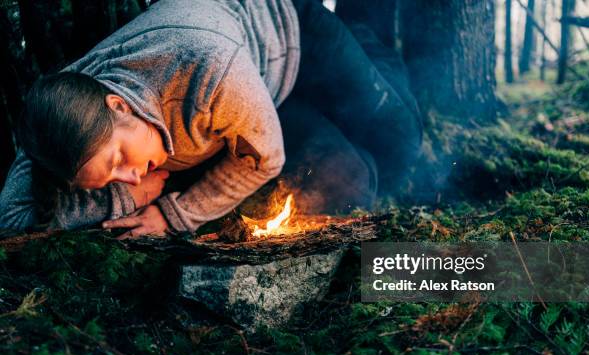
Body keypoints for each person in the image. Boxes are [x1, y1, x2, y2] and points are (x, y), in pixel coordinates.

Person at [0, 0, 422, 239]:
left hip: (293, 32)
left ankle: (367, 34)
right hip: (255, 96)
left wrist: (173, 215)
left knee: (400, 142)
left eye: (119, 161)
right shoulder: (59, 124)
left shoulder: (204, 66)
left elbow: (267, 158)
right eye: (109, 182)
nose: (130, 177)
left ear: (120, 106)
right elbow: (12, 219)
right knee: (350, 182)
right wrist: (129, 199)